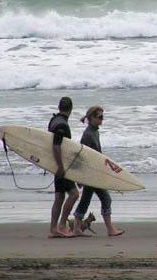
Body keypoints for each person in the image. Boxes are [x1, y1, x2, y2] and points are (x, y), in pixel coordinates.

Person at [72, 105, 125, 237]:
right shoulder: (88, 135)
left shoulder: (94, 131)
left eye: (103, 117)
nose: (102, 119)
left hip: (95, 172)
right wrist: (80, 177)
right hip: (92, 174)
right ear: (91, 118)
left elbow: (98, 155)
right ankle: (110, 229)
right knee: (106, 199)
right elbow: (81, 156)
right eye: (99, 117)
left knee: (85, 199)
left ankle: (76, 228)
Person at [47, 96, 79, 238]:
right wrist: (61, 166)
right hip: (61, 165)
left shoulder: (54, 120)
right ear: (71, 109)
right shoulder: (61, 125)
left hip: (56, 164)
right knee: (74, 194)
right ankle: (61, 226)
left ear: (59, 107)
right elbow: (56, 146)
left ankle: (54, 228)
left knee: (59, 197)